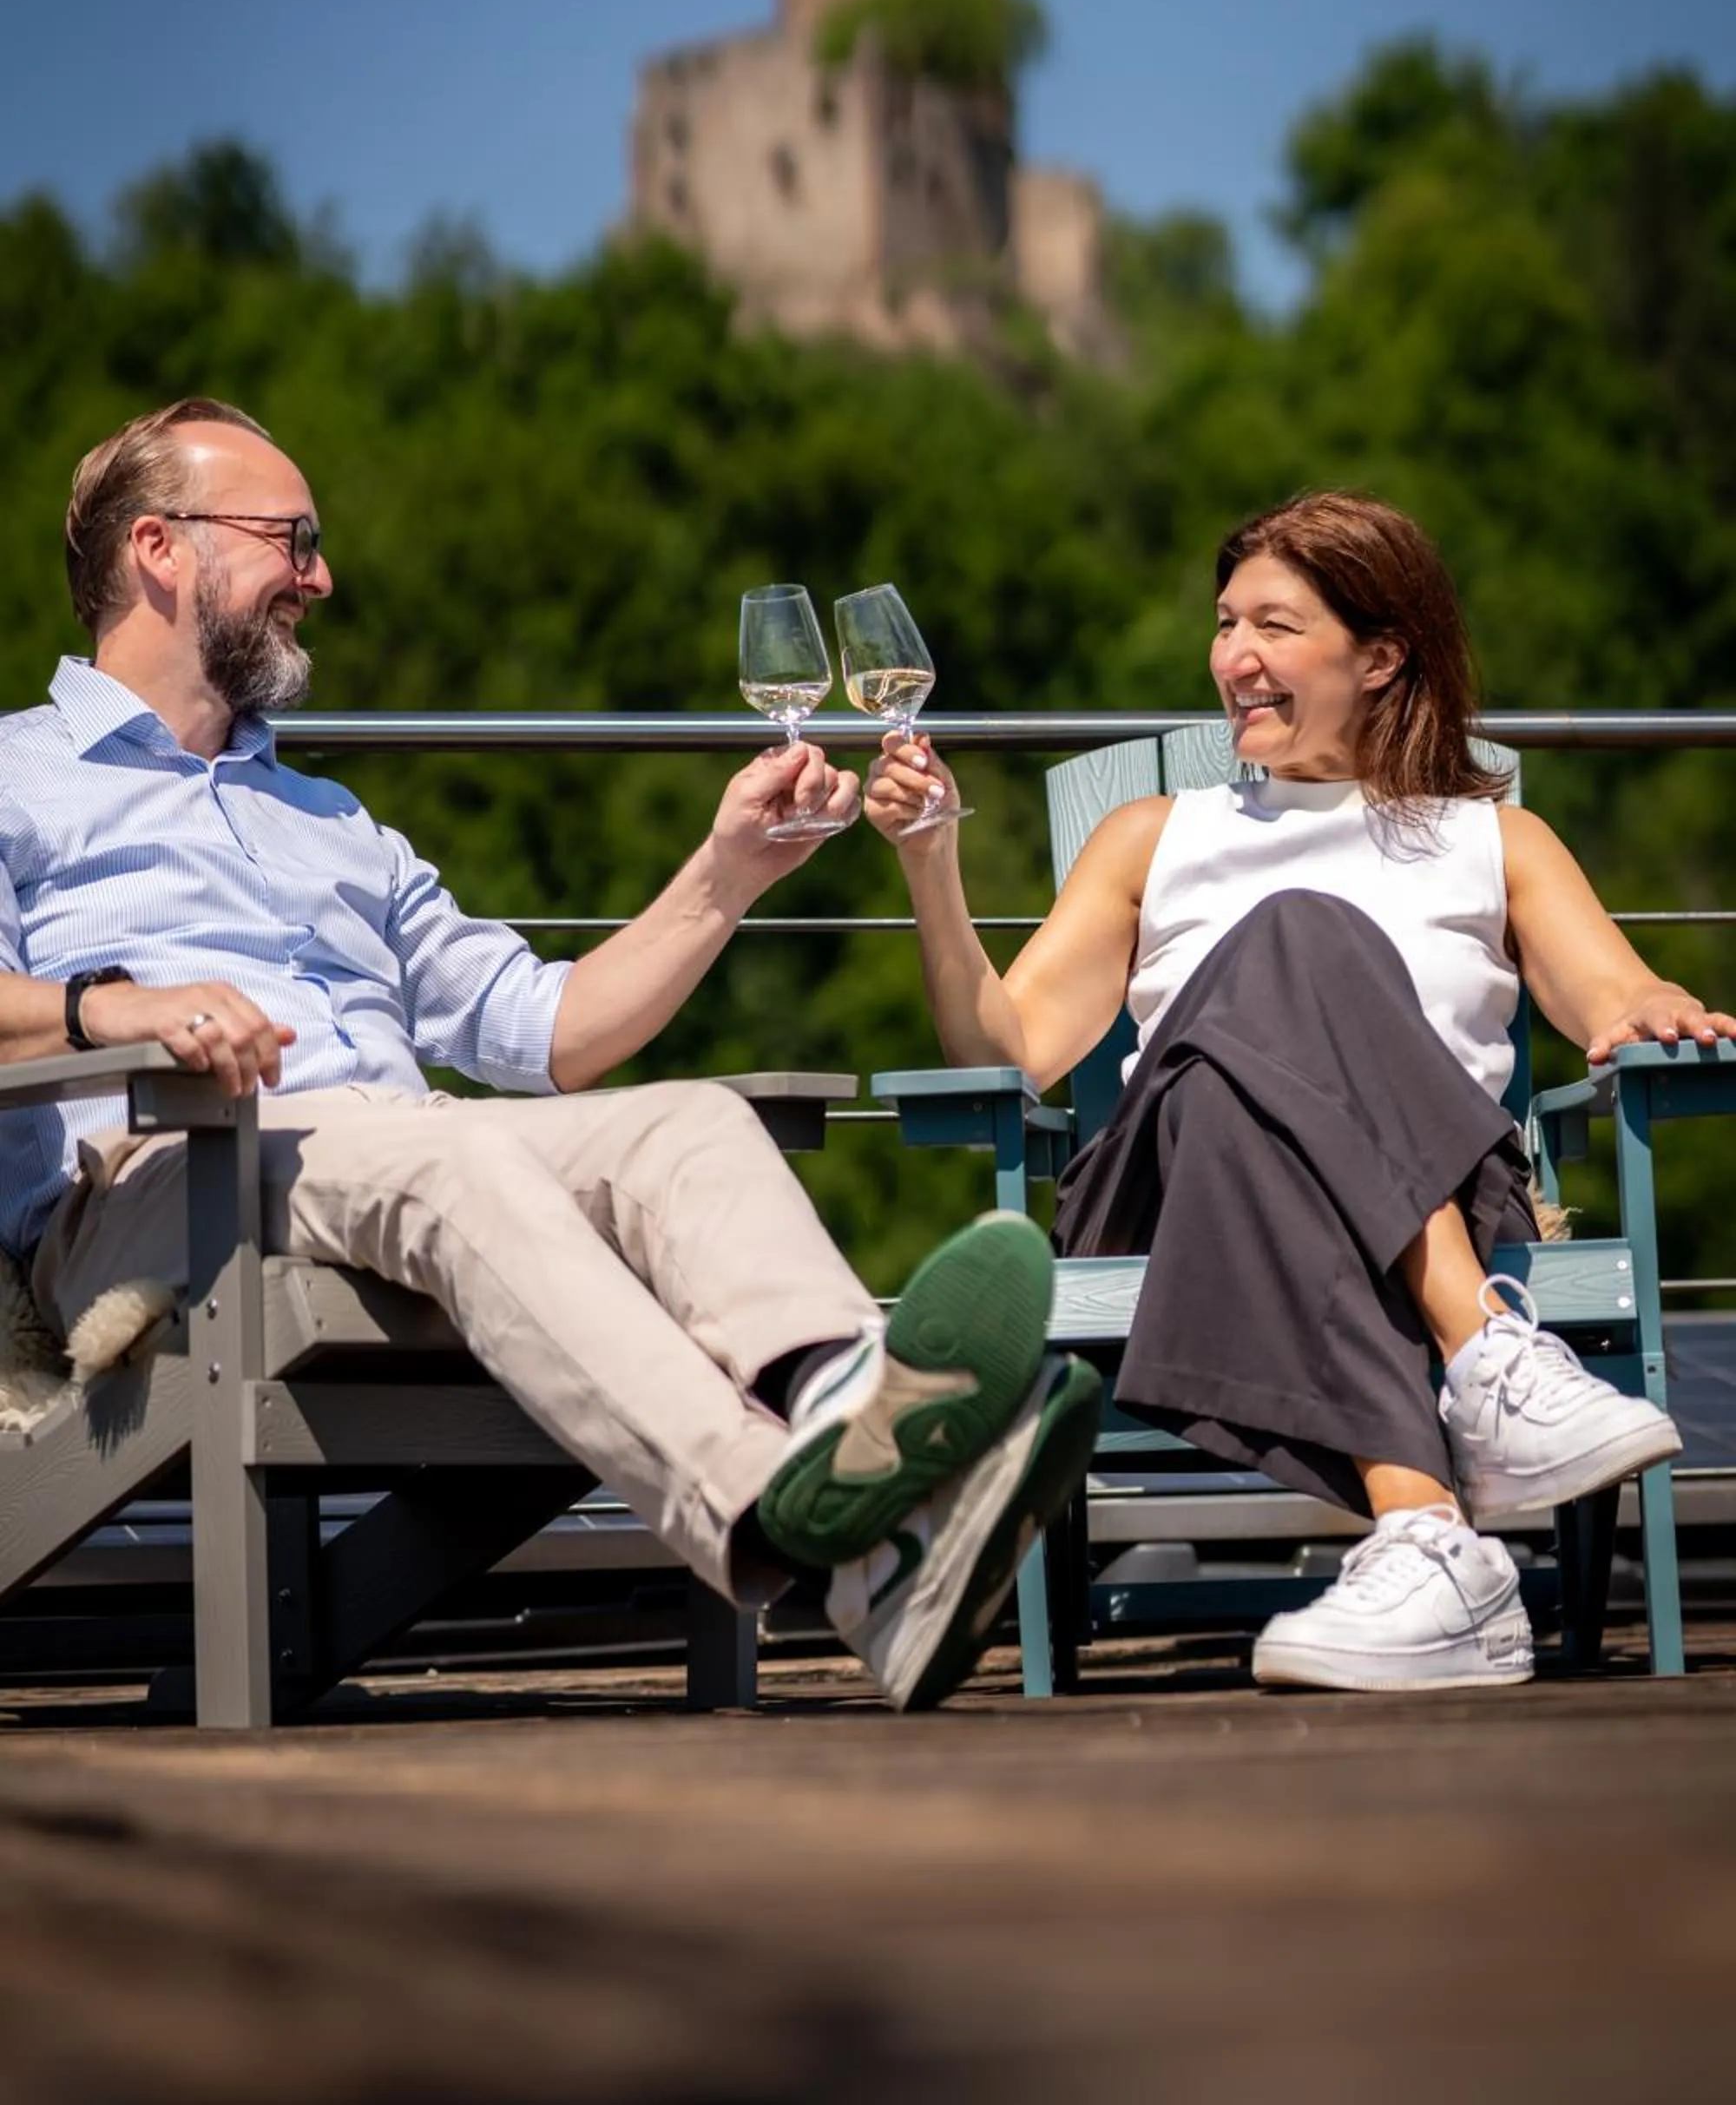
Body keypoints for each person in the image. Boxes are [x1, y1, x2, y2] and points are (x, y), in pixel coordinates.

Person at [0, 398, 1100, 1713]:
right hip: (151, 1187)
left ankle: (859, 1452)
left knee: (685, 1122)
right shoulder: (17, 776)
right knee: (444, 1164)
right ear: (160, 550)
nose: (321, 576)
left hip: (377, 1158)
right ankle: (798, 1526)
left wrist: (728, 872)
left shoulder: (330, 818)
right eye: (290, 539)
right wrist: (107, 1007)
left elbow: (547, 1031)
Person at [867, 491, 1735, 1693]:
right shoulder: (1152, 835)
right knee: (1294, 939)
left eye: (1275, 625)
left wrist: (1649, 1008)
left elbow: (1617, 997)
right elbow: (1001, 1054)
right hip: (1167, 1204)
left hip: (1425, 1192)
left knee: (1260, 1067)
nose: (1237, 659)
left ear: (1381, 656)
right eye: (1227, 624)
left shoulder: (1493, 842)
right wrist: (932, 862)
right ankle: (1487, 1358)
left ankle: (1430, 1544)